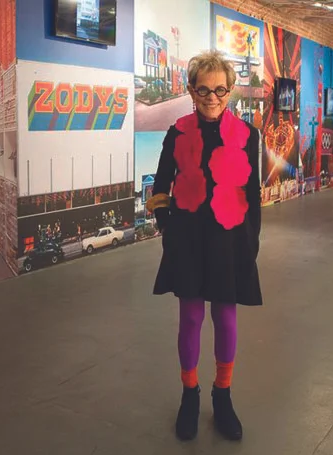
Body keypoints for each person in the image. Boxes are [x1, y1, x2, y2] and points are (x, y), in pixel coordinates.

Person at [145, 50, 262, 442]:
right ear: (192, 91)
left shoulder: (247, 135)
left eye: (220, 89)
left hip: (230, 241)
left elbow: (252, 195)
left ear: (229, 91)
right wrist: (168, 229)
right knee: (191, 318)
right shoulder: (177, 132)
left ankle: (222, 396)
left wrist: (251, 243)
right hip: (188, 241)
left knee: (226, 318)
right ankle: (190, 395)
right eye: (203, 89)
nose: (212, 97)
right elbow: (160, 185)